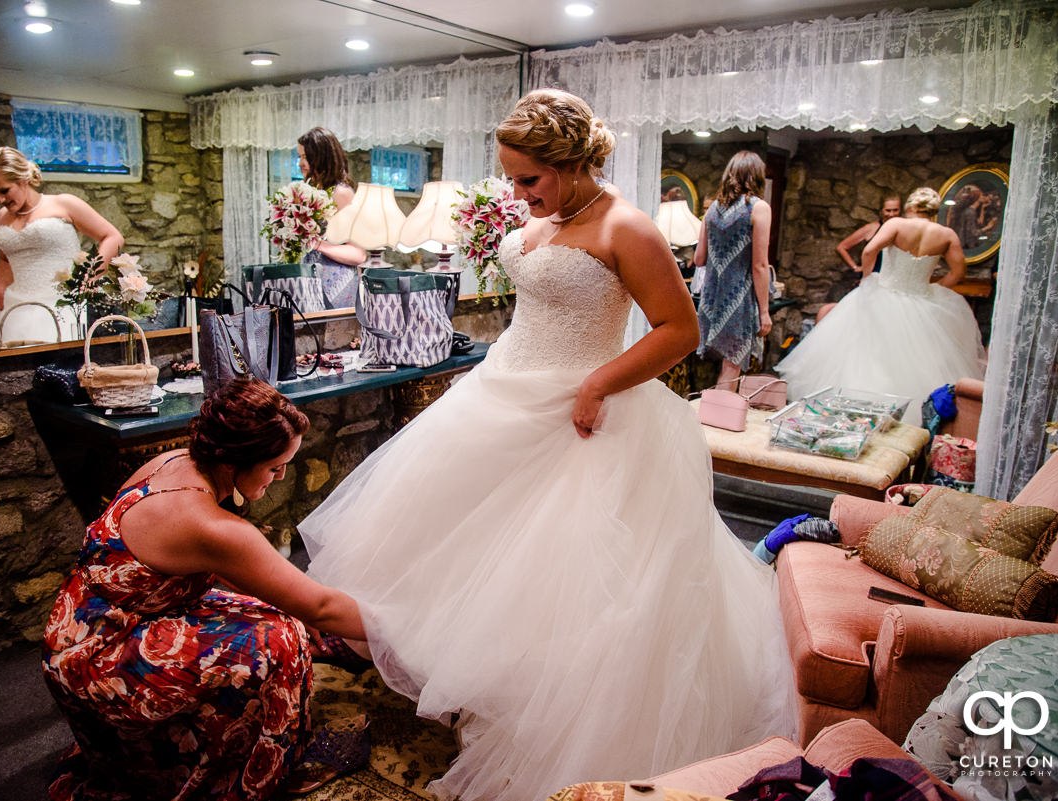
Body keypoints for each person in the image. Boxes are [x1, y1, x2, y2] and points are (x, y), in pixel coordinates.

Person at [299, 89, 798, 801]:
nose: (517, 192)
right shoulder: (551, 216)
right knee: (476, 560)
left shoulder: (628, 227)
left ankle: (550, 721)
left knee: (566, 584)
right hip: (503, 393)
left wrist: (598, 385)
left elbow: (678, 332)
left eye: (528, 179)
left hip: (583, 414)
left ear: (572, 162)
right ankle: (487, 688)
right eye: (511, 178)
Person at [42, 379, 367, 800]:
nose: (281, 476)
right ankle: (254, 771)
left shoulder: (174, 461)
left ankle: (206, 732)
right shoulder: (211, 527)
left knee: (270, 609)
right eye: (274, 467)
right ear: (235, 462)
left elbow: (234, 571)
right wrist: (406, 630)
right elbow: (322, 606)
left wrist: (292, 605)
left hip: (79, 627)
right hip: (101, 659)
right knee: (281, 636)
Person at [775, 187, 985, 426]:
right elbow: (958, 272)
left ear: (910, 207)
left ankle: (851, 416)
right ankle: (908, 421)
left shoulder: (897, 224)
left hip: (885, 294)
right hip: (921, 301)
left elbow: (869, 250)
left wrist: (867, 278)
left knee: (865, 353)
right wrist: (931, 289)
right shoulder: (947, 235)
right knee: (916, 359)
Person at [0, 146, 124, 352]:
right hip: (17, 306)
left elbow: (113, 237)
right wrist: (1, 290)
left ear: (23, 179)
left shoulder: (63, 203)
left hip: (63, 304)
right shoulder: (2, 216)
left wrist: (90, 277)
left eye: (4, 191)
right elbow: (5, 259)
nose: (0, 200)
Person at [693, 150, 773, 389]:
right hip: (738, 295)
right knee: (732, 364)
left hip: (712, 296)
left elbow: (699, 259)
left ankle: (717, 416)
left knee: (724, 365)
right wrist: (765, 312)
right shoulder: (759, 208)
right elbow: (759, 265)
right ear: (757, 176)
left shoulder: (712, 210)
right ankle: (719, 420)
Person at [297, 127, 367, 308]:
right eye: (300, 157)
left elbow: (358, 254)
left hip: (337, 286)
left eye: (305, 157)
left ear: (321, 157)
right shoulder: (311, 192)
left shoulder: (341, 193)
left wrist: (317, 244)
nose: (300, 163)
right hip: (312, 283)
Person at [817, 195, 902, 322]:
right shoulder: (871, 228)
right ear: (881, 211)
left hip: (893, 283)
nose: (891, 214)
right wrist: (856, 267)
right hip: (871, 280)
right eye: (888, 210)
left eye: (895, 210)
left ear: (900, 210)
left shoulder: (905, 231)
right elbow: (842, 247)